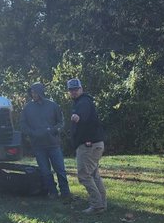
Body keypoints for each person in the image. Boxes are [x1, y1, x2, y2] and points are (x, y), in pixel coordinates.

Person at [19, 82, 72, 201]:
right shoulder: (27, 108)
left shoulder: (52, 105)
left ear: (41, 92)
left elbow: (61, 122)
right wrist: (32, 133)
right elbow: (22, 124)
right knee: (45, 171)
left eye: (35, 92)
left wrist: (53, 130)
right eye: (31, 92)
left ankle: (65, 192)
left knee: (60, 169)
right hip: (38, 145)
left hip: (53, 144)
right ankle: (52, 192)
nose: (33, 94)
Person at [67, 77, 106, 213]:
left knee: (84, 175)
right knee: (94, 174)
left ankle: (96, 205)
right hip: (95, 144)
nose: (74, 92)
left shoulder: (83, 102)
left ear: (81, 89)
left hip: (89, 145)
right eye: (71, 90)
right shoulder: (83, 101)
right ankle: (101, 202)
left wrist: (78, 117)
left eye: (76, 89)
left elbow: (83, 114)